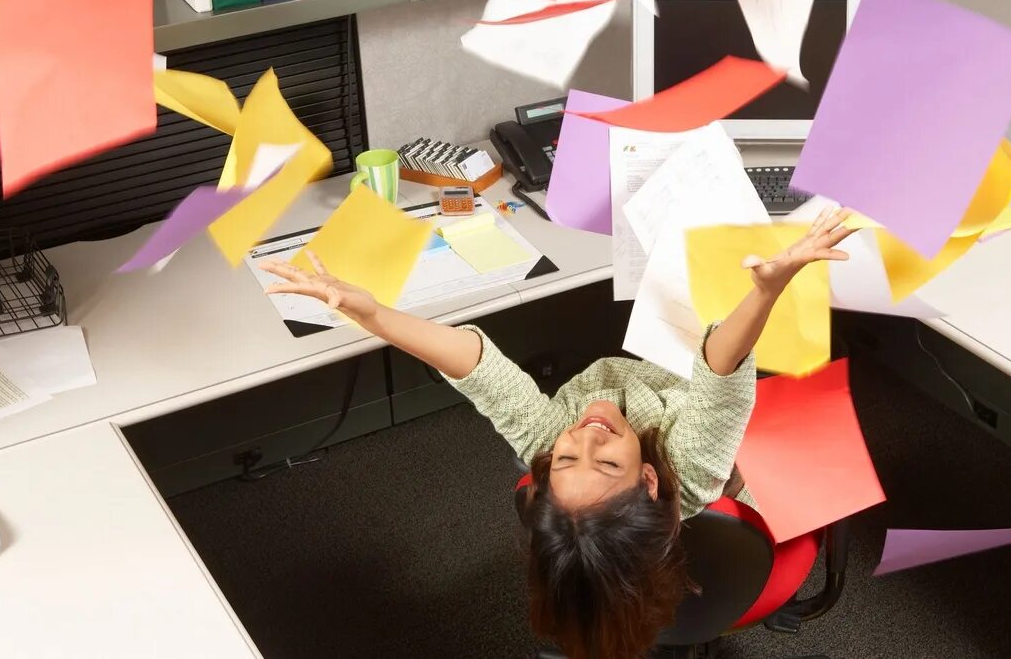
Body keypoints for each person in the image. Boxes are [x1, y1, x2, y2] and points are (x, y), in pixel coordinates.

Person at [259, 206, 853, 659]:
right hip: (687, 392)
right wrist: (765, 291)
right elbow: (722, 377)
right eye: (608, 462)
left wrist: (374, 316)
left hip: (655, 379)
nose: (587, 435)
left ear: (544, 476)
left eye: (568, 460)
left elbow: (478, 369)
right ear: (650, 478)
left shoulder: (548, 442)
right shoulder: (689, 462)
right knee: (818, 412)